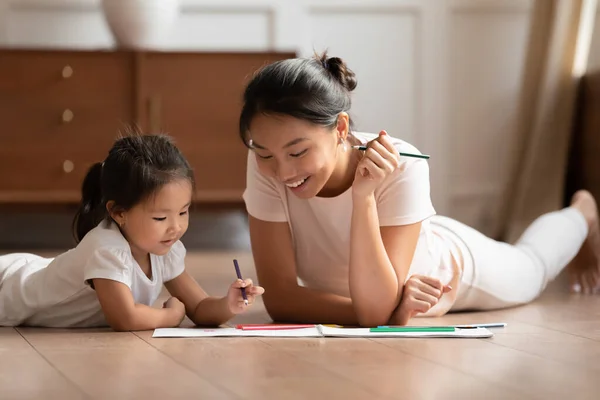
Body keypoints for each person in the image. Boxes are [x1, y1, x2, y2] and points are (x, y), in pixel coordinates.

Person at [238, 52, 600, 327]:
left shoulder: (403, 161)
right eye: (265, 152)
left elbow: (374, 310)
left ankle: (582, 211)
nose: (283, 171)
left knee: (532, 267)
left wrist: (364, 196)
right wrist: (382, 312)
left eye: (298, 151)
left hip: (452, 266)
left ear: (341, 129)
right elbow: (281, 299)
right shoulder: (265, 165)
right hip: (396, 260)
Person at [0, 133, 264, 330]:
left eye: (183, 212)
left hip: (31, 271)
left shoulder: (163, 248)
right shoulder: (106, 247)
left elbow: (198, 306)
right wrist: (170, 316)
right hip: (8, 288)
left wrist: (228, 304)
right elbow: (125, 318)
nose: (176, 226)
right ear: (118, 213)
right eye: (161, 217)